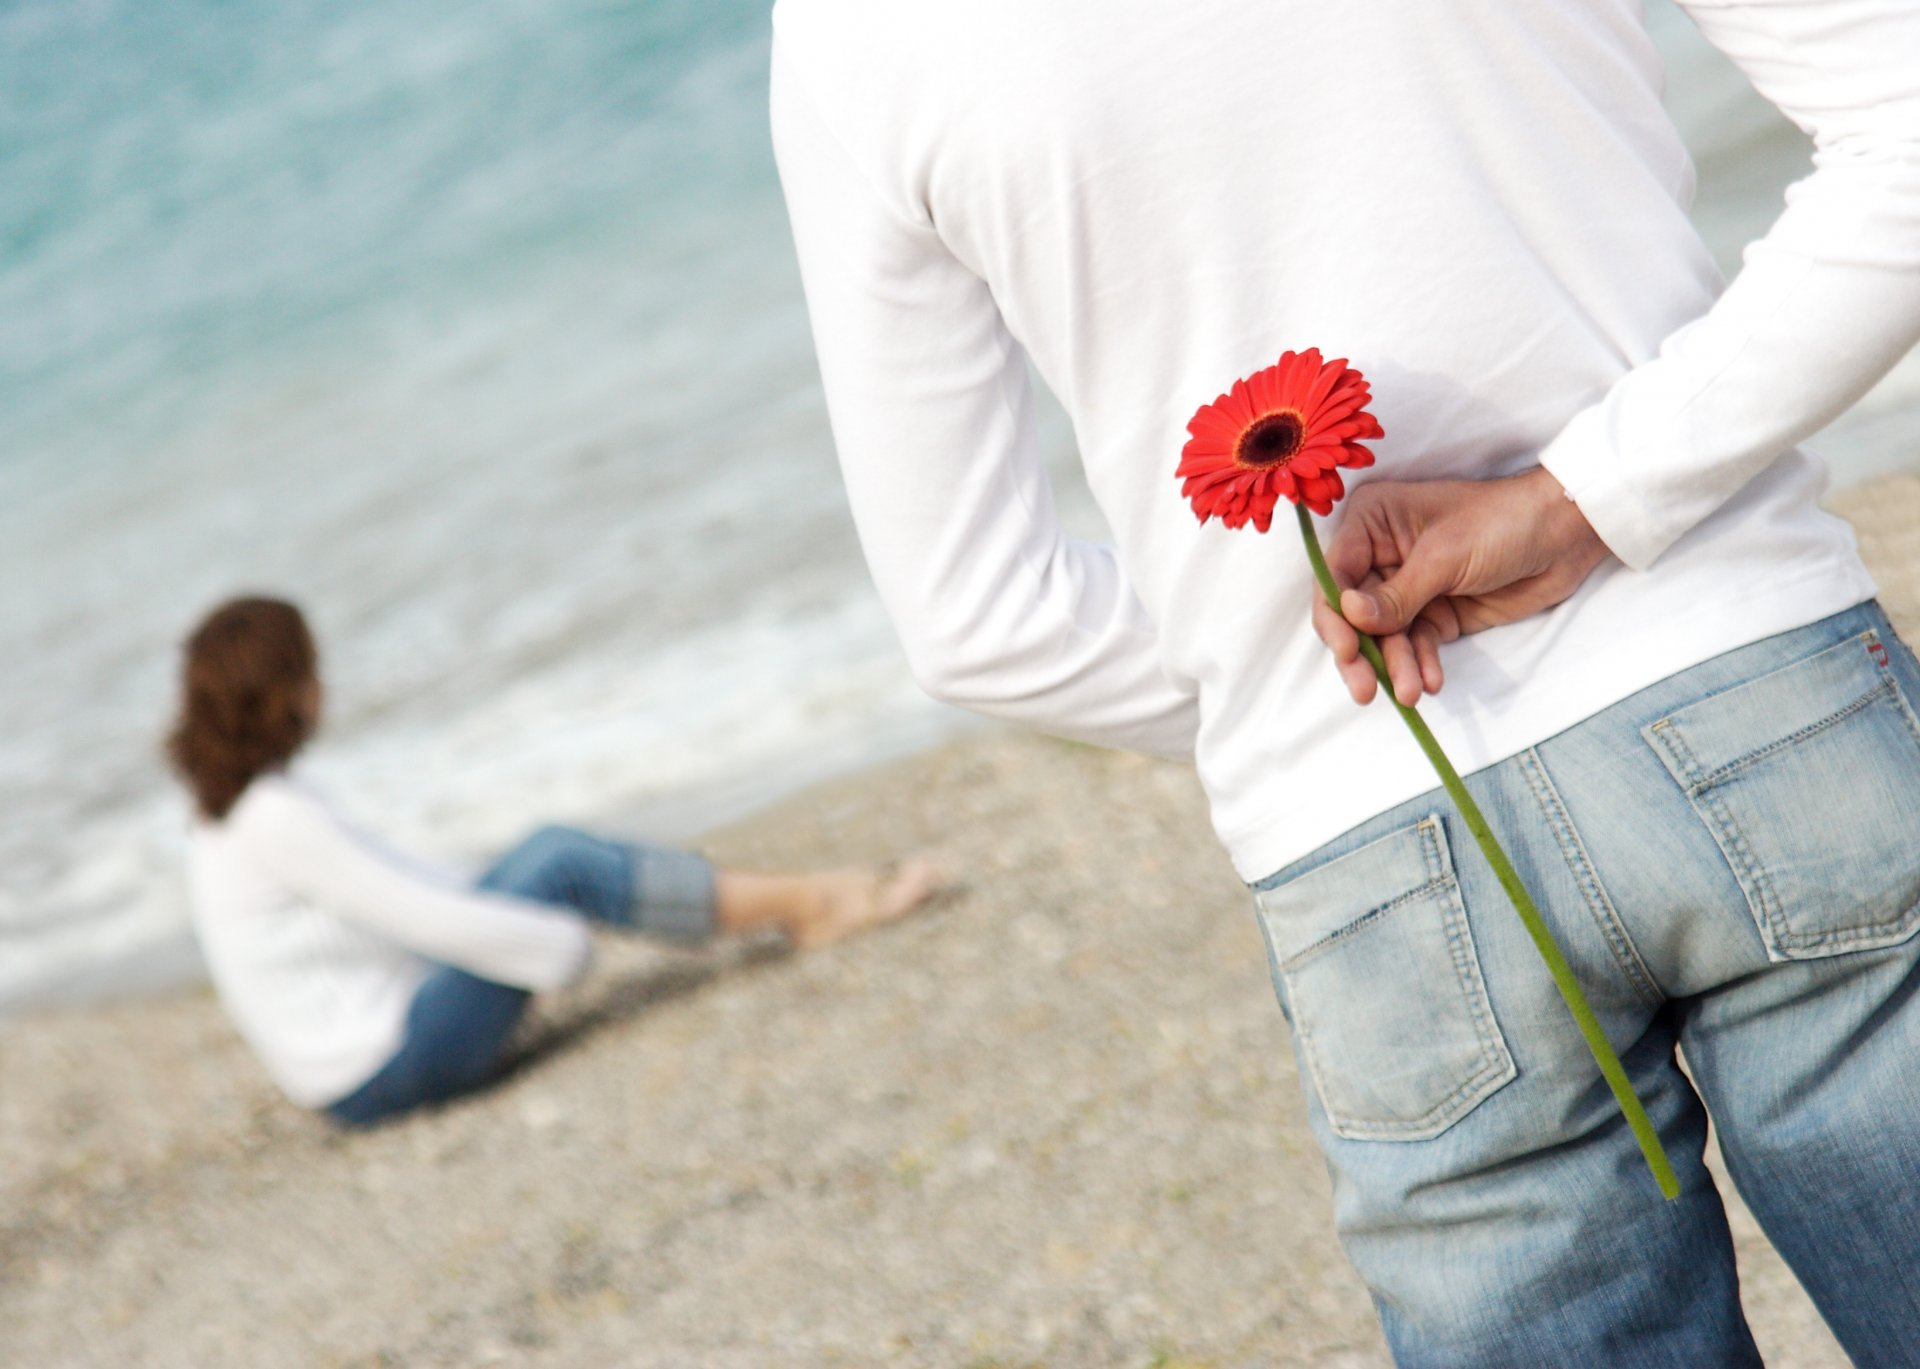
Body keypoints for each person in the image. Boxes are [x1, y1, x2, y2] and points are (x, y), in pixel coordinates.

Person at [770, 0, 1920, 1363]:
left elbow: (976, 617)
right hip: (1750, 685)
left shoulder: (847, 34)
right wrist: (1587, 498)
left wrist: (1316, 681)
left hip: (1369, 871)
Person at [166, 596, 940, 1127]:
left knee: (547, 859)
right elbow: (421, 914)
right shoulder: (275, 817)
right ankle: (808, 905)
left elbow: (408, 889)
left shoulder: (230, 812)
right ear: (283, 695)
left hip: (350, 1069)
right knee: (560, 862)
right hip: (377, 1071)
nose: (324, 684)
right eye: (310, 670)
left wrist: (521, 906)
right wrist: (556, 945)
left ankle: (797, 900)